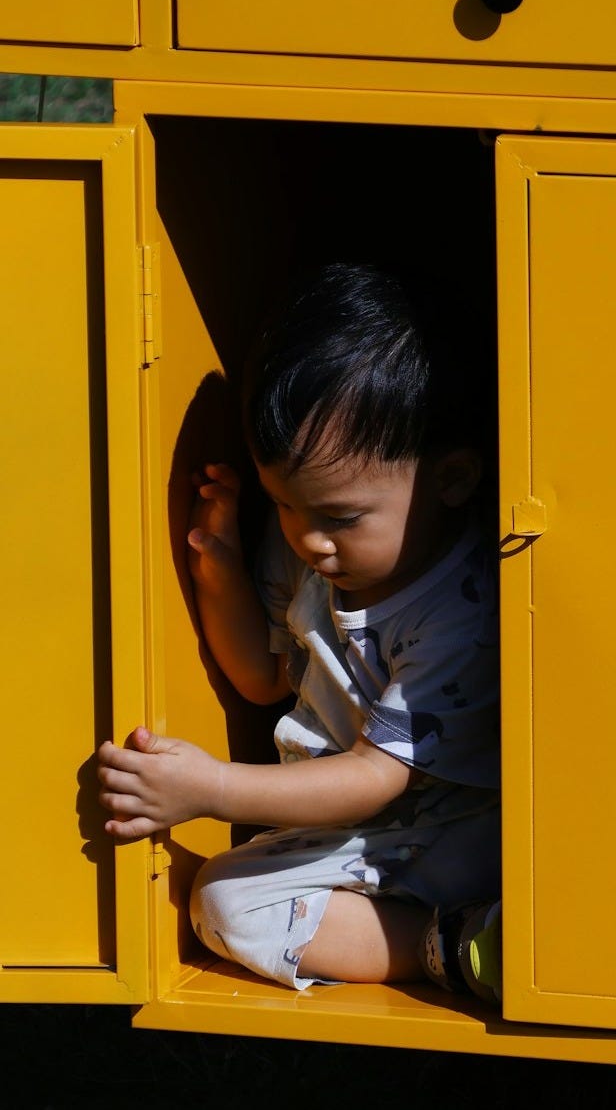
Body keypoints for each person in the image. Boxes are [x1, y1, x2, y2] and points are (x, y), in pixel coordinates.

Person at [97, 264, 501, 999]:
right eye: (284, 505)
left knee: (224, 900)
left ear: (452, 479)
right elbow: (262, 676)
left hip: (455, 829)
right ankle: (453, 929)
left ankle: (455, 943)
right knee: (228, 893)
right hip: (366, 827)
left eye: (339, 517)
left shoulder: (457, 613)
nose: (309, 540)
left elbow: (377, 776)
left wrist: (213, 787)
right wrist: (217, 568)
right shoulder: (313, 547)